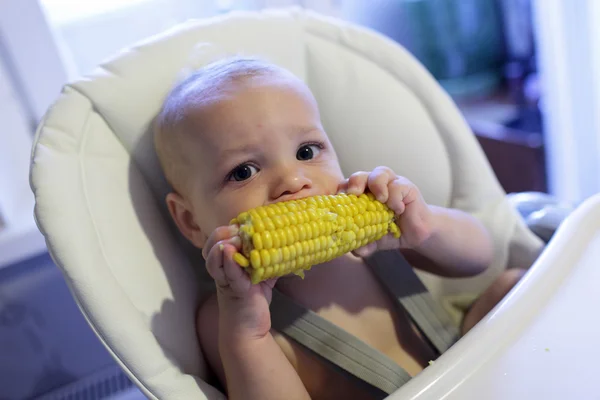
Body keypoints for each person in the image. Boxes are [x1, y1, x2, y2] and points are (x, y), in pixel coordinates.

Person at [153, 56, 526, 400]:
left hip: (469, 371)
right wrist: (248, 331)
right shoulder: (226, 314)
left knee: (511, 283)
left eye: (306, 152)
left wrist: (423, 226)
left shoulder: (374, 235)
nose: (293, 180)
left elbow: (480, 258)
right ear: (191, 221)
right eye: (243, 172)